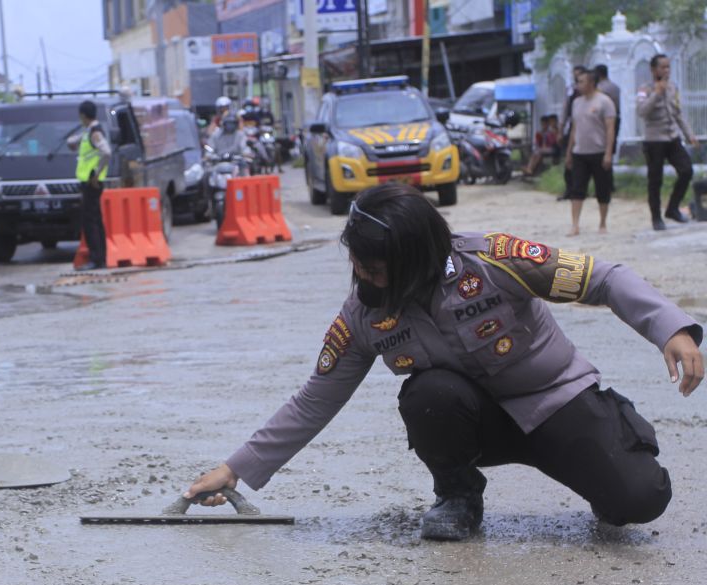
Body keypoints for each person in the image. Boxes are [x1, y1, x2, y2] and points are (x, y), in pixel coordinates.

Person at [183, 183, 703, 541]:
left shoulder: (496, 259)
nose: (360, 272)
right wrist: (235, 469)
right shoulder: (363, 315)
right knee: (428, 393)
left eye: (374, 265)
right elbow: (315, 399)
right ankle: (457, 496)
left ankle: (607, 450)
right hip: (472, 422)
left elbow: (603, 278)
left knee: (639, 501)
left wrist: (670, 328)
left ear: (416, 257)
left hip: (556, 403)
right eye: (356, 261)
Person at [638, 53, 699, 231]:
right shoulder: (645, 89)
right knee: (655, 180)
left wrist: (689, 134)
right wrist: (656, 94)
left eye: (668, 67)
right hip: (654, 140)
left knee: (686, 170)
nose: (666, 70)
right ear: (653, 69)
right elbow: (642, 111)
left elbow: (678, 113)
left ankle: (672, 208)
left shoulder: (673, 87)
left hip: (672, 138)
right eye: (662, 67)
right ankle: (656, 218)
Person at [564, 69, 616, 235]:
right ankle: (575, 224)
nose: (578, 85)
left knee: (603, 188)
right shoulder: (576, 103)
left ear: (591, 83)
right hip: (580, 152)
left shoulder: (605, 102)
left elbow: (610, 129)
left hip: (599, 152)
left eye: (581, 82)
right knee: (577, 189)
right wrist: (569, 152)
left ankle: (602, 223)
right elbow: (574, 128)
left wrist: (608, 153)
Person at [70, 100, 111, 271]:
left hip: (91, 182)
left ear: (83, 115)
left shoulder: (94, 132)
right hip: (90, 182)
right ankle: (100, 258)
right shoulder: (90, 131)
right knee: (95, 220)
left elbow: (106, 152)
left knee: (90, 222)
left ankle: (96, 259)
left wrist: (95, 173)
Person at [556, 66, 586, 201]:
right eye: (576, 77)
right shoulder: (571, 92)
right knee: (569, 161)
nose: (577, 81)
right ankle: (570, 189)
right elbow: (564, 111)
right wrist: (560, 130)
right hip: (572, 129)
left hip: (587, 133)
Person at [592, 64, 621, 156]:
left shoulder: (600, 88)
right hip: (616, 117)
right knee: (612, 143)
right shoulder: (615, 87)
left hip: (603, 119)